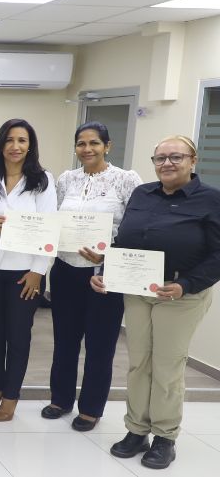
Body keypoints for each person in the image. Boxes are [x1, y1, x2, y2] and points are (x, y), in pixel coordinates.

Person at [101, 136, 220, 470]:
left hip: (181, 294)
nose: (167, 163)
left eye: (176, 157)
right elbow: (123, 240)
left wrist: (185, 285)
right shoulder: (143, 193)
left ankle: (165, 437)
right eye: (161, 158)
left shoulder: (211, 199)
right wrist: (106, 271)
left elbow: (218, 253)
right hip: (138, 289)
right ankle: (136, 429)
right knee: (139, 362)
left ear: (193, 160)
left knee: (167, 366)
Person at [42, 121, 141, 432]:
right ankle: (61, 398)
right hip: (65, 270)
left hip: (104, 274)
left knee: (100, 344)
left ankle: (91, 408)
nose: (87, 149)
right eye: (81, 143)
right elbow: (53, 219)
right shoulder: (65, 179)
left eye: (94, 143)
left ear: (107, 146)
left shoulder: (126, 180)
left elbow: (136, 229)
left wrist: (107, 256)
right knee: (65, 340)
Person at [0, 119, 56, 422]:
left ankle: (11, 397)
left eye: (22, 140)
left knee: (18, 336)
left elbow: (49, 228)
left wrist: (38, 271)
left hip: (26, 271)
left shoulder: (43, 180)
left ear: (30, 146)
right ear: (0, 144)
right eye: (9, 140)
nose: (15, 146)